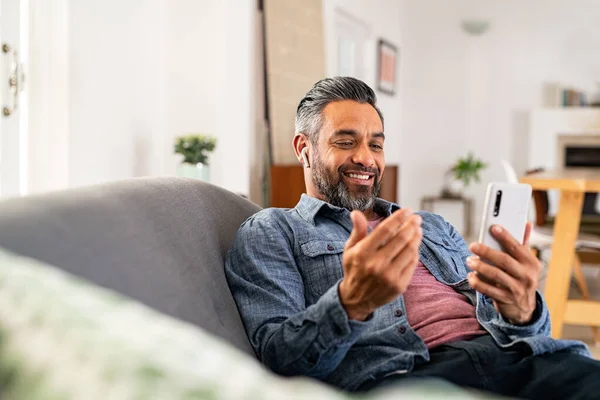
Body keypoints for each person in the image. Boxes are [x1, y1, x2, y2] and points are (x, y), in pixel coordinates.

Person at [225, 77, 599, 399]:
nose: (366, 158)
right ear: (303, 148)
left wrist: (523, 311)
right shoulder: (273, 230)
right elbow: (278, 361)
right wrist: (350, 303)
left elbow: (525, 330)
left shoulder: (430, 225)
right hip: (409, 378)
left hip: (520, 357)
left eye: (376, 144)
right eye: (345, 142)